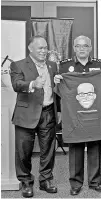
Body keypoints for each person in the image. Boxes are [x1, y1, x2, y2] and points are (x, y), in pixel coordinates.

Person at [54, 35, 101, 195]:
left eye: (85, 46)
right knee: (76, 148)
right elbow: (60, 93)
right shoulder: (65, 66)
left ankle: (94, 182)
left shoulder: (100, 65)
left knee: (94, 147)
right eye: (78, 46)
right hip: (74, 116)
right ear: (74, 48)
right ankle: (76, 184)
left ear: (90, 47)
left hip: (94, 114)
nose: (82, 49)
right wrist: (57, 81)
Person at [10, 35, 59, 198]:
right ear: (30, 49)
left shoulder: (52, 65)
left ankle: (45, 180)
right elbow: (17, 84)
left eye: (45, 48)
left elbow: (57, 89)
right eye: (40, 48)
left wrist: (58, 111)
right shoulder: (18, 65)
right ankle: (26, 182)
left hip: (48, 112)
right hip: (26, 114)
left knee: (48, 150)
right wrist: (32, 84)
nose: (44, 51)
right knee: (24, 152)